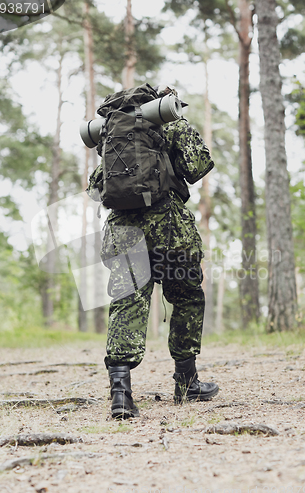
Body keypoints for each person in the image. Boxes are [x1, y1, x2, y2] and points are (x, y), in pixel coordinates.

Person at [88, 84, 219, 418]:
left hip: (123, 231)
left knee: (126, 303)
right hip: (169, 229)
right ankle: (187, 383)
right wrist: (180, 125)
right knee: (187, 297)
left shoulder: (111, 131)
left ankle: (121, 395)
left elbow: (95, 189)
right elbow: (199, 166)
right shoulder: (165, 124)